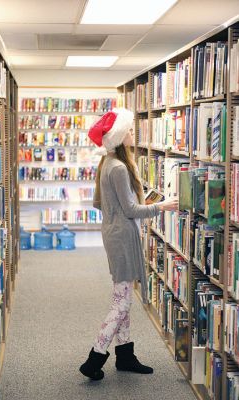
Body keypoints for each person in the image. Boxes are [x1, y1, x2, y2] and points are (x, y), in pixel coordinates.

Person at [79, 108, 178, 381]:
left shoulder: (107, 163)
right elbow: (132, 210)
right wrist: (162, 206)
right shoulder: (119, 167)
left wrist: (125, 208)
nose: (134, 134)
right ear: (120, 136)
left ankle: (125, 356)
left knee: (122, 297)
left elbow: (102, 203)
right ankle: (94, 357)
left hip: (114, 234)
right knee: (121, 304)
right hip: (122, 238)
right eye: (131, 130)